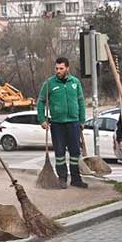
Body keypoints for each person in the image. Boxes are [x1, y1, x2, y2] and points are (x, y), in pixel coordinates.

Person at [37, 57, 88, 189]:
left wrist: (82, 120)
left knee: (75, 153)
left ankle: (76, 179)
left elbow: (81, 102)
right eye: (56, 68)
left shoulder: (75, 82)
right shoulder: (49, 83)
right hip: (57, 124)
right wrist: (42, 119)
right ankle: (62, 178)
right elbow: (41, 102)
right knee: (60, 154)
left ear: (67, 68)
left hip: (74, 123)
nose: (58, 71)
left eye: (61, 68)